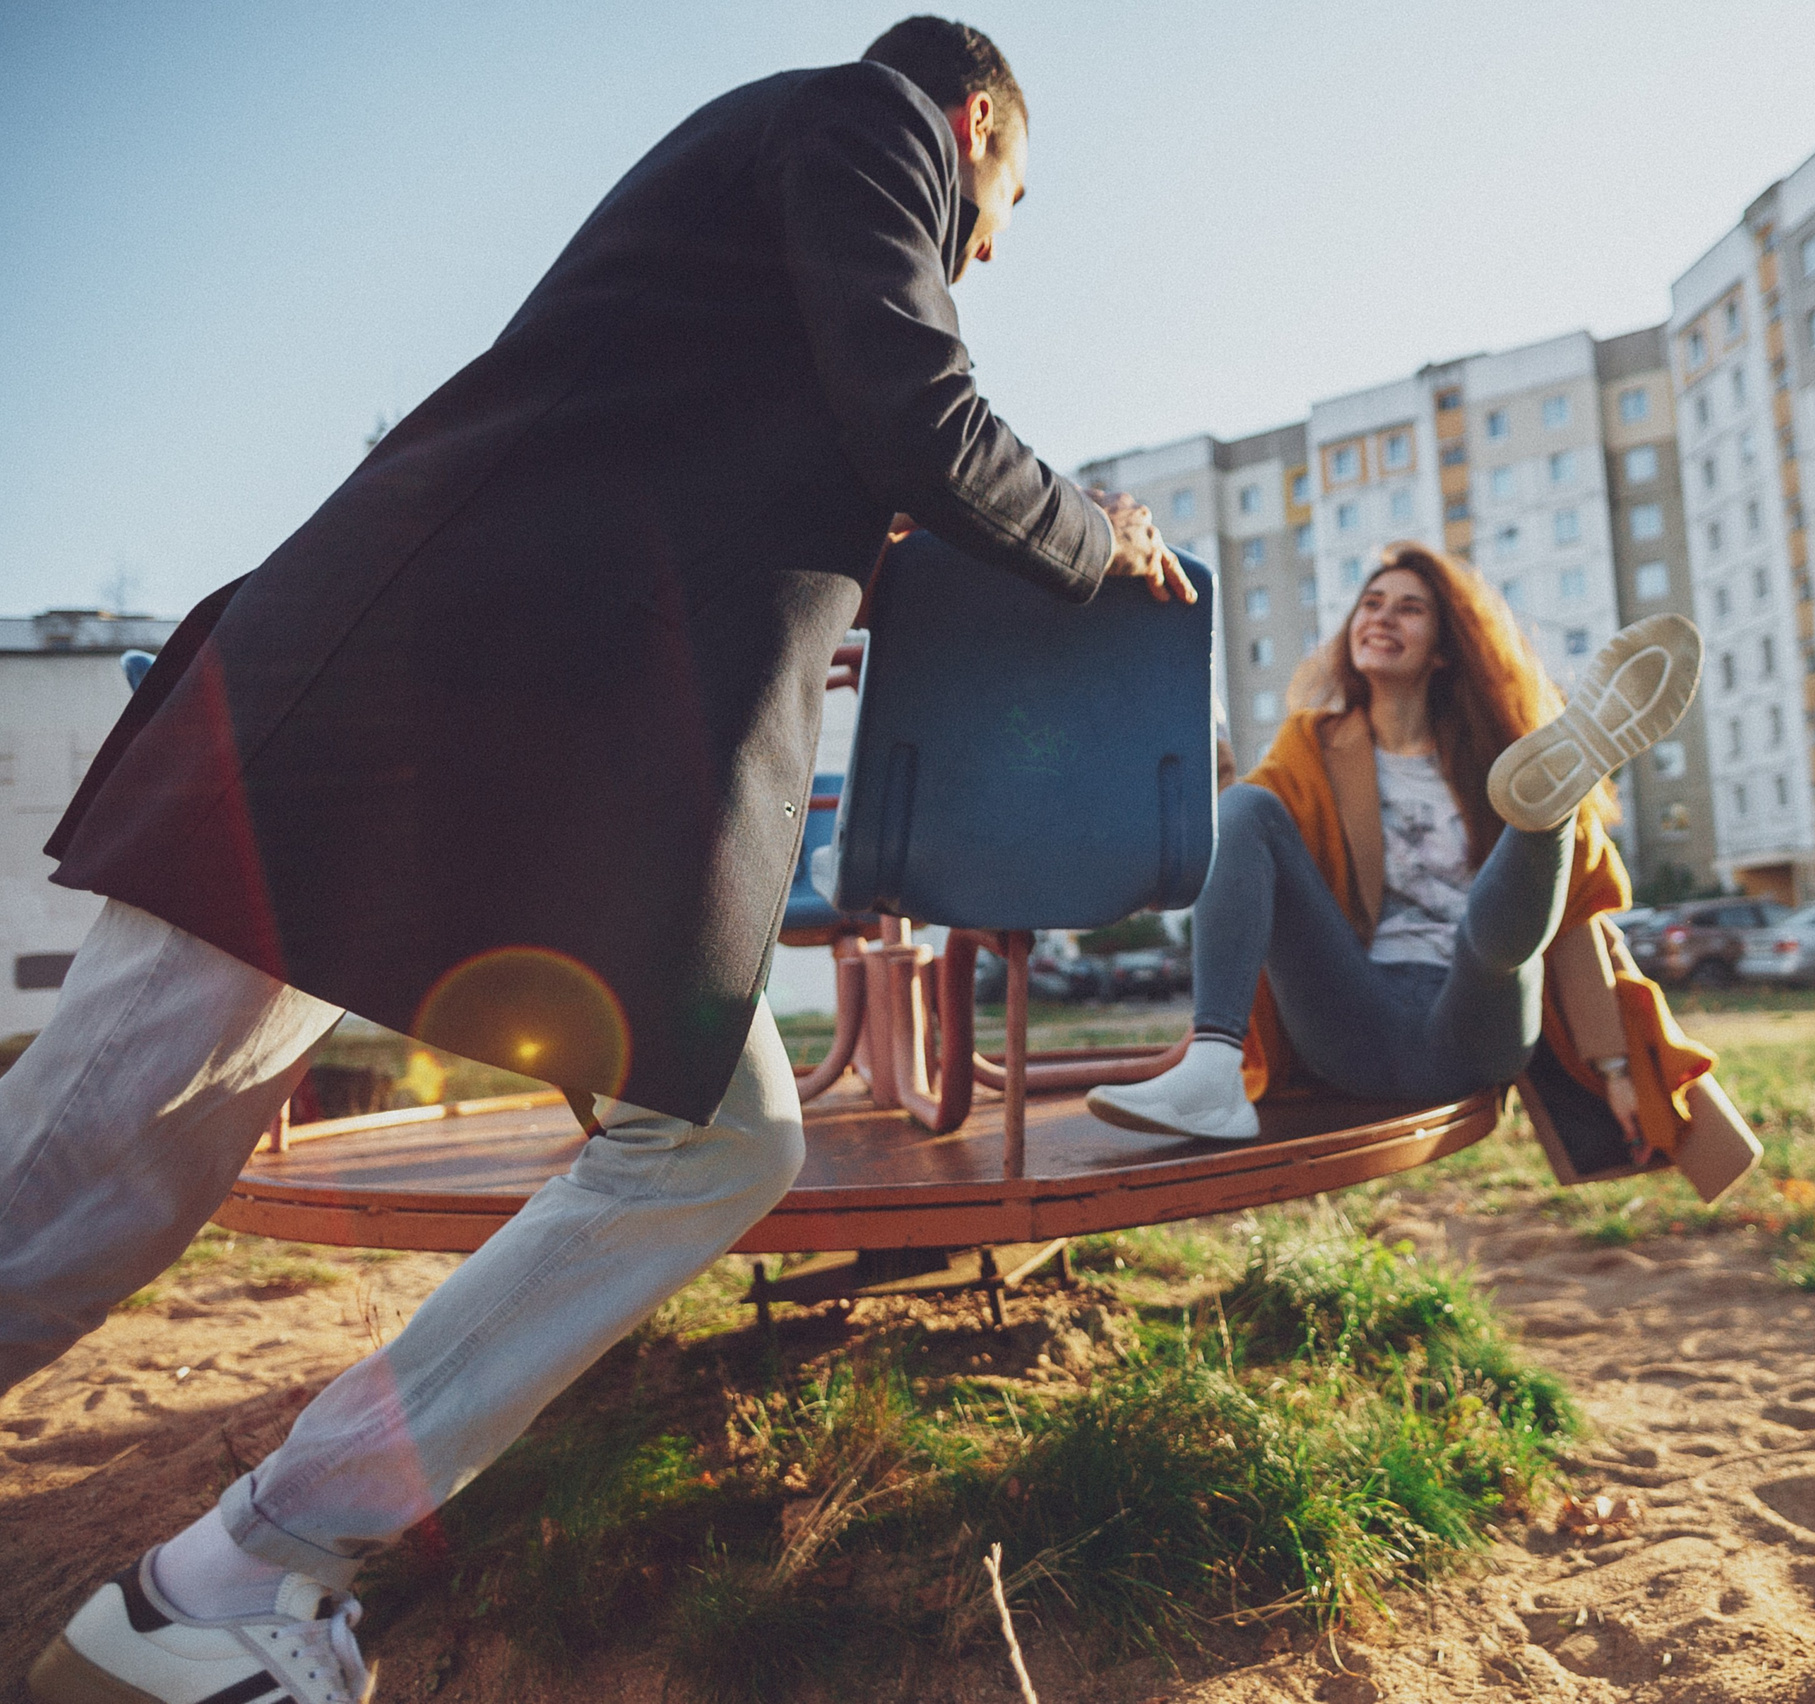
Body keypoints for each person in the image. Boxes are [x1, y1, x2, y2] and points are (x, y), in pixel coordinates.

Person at [14, 19, 1185, 1704]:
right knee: (85, 1185)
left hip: (481, 745)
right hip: (370, 708)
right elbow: (924, 412)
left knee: (712, 1143)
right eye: (1011, 195)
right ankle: (237, 1568)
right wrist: (1098, 531)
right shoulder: (871, 130)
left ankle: (243, 1563)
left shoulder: (775, 242)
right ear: (979, 120)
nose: (995, 239)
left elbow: (760, 461)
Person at [1088, 545, 1713, 1150]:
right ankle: (1213, 1069)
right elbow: (1244, 853)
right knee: (1246, 807)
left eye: (1410, 608)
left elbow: (1577, 921)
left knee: (1493, 932)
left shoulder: (1495, 760)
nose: (1383, 617)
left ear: (1444, 648)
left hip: (1476, 1018)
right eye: (1372, 603)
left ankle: (1549, 816)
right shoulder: (1314, 745)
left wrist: (1616, 1068)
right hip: (1354, 1017)